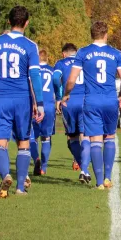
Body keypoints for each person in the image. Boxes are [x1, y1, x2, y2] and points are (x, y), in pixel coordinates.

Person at [0, 6, 45, 198]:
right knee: (23, 142)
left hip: (0, 98)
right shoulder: (30, 46)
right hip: (22, 99)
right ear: (27, 22)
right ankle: (20, 187)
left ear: (8, 21)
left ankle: (6, 174)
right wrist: (39, 104)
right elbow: (34, 76)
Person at [62, 21, 121, 189]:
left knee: (95, 140)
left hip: (91, 100)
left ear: (91, 34)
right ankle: (107, 178)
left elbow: (71, 79)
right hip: (110, 100)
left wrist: (66, 93)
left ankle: (99, 182)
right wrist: (120, 94)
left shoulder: (83, 52)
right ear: (106, 34)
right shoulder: (116, 53)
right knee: (110, 137)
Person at [54, 44, 86, 177]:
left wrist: (58, 96)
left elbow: (55, 78)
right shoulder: (83, 61)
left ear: (64, 54)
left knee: (72, 137)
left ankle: (83, 167)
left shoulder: (61, 63)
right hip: (85, 101)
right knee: (85, 135)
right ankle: (86, 167)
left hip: (69, 101)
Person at [31, 49, 59, 176]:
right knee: (46, 137)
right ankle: (44, 167)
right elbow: (58, 85)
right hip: (49, 106)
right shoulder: (52, 70)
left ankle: (36, 158)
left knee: (32, 137)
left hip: (35, 106)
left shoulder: (33, 70)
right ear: (47, 58)